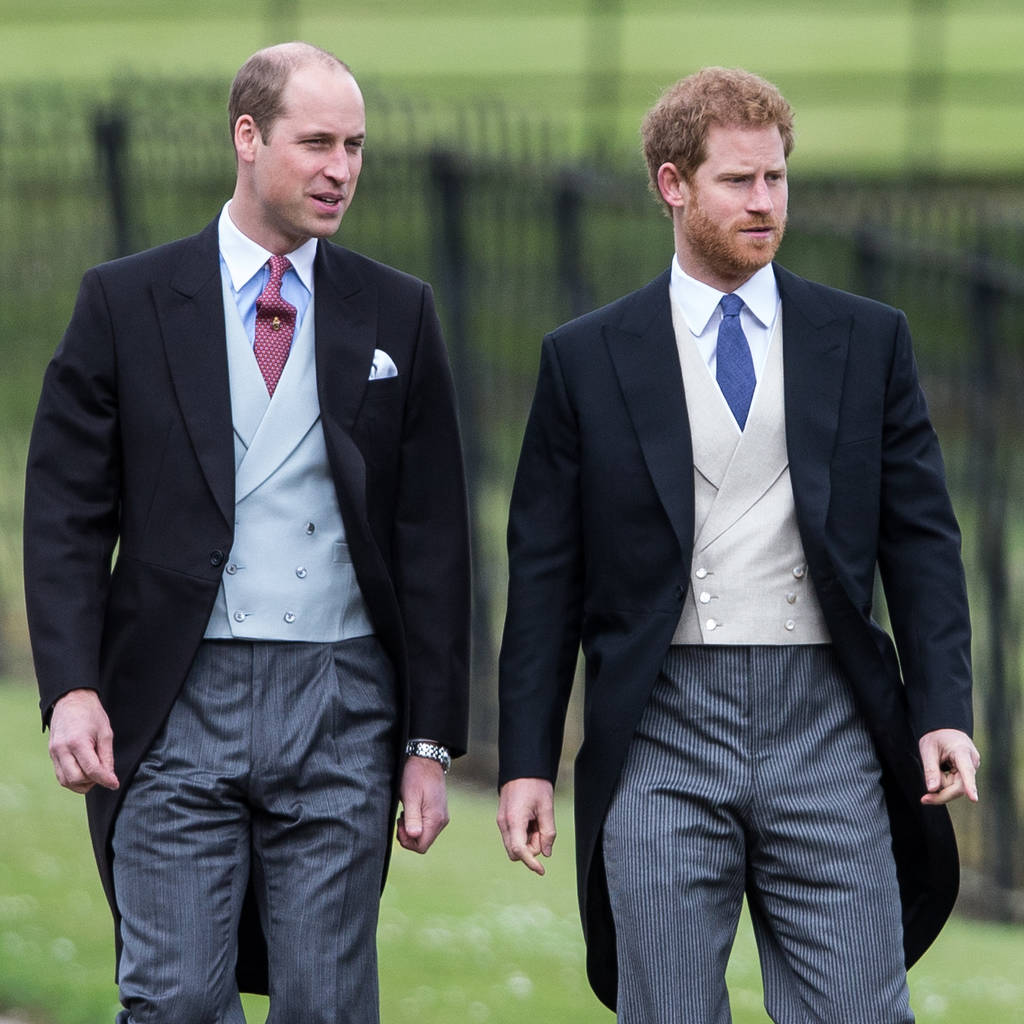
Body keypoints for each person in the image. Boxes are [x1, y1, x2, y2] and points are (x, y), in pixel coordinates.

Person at [496, 67, 979, 1023]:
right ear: (672, 185)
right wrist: (525, 761)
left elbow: (922, 540)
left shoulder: (866, 338)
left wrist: (943, 709)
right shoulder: (585, 358)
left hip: (829, 726)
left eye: (777, 179)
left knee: (860, 1011)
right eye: (738, 182)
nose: (765, 203)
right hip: (661, 731)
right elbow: (545, 577)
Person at [24, 42, 470, 1023]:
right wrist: (72, 687)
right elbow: (63, 513)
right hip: (175, 696)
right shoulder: (126, 301)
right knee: (175, 999)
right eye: (316, 142)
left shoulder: (398, 310)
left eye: (354, 146)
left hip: (342, 700)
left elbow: (434, 539)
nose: (341, 169)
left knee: (325, 1003)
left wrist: (429, 741)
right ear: (246, 137)